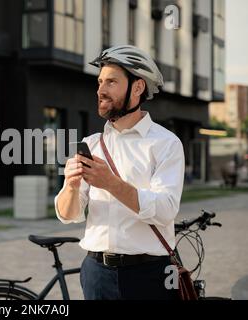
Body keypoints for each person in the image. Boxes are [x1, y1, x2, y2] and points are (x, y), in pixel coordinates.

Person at [55, 45, 185, 300]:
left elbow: (166, 209)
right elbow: (70, 216)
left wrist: (112, 184)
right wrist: (70, 186)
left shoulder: (166, 143)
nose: (101, 90)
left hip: (148, 274)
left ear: (137, 87)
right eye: (100, 82)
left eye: (111, 82)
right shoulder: (91, 144)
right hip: (96, 274)